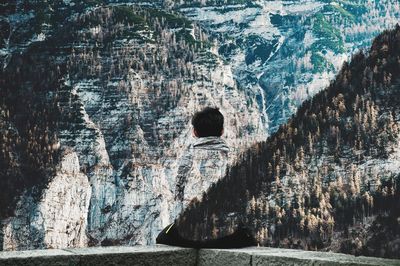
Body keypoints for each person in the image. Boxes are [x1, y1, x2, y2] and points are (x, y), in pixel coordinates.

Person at [157, 107, 256, 248]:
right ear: (222, 131)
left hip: (189, 235)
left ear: (195, 132)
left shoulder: (188, 156)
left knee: (162, 237)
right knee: (249, 239)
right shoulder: (235, 158)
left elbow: (178, 192)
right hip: (225, 234)